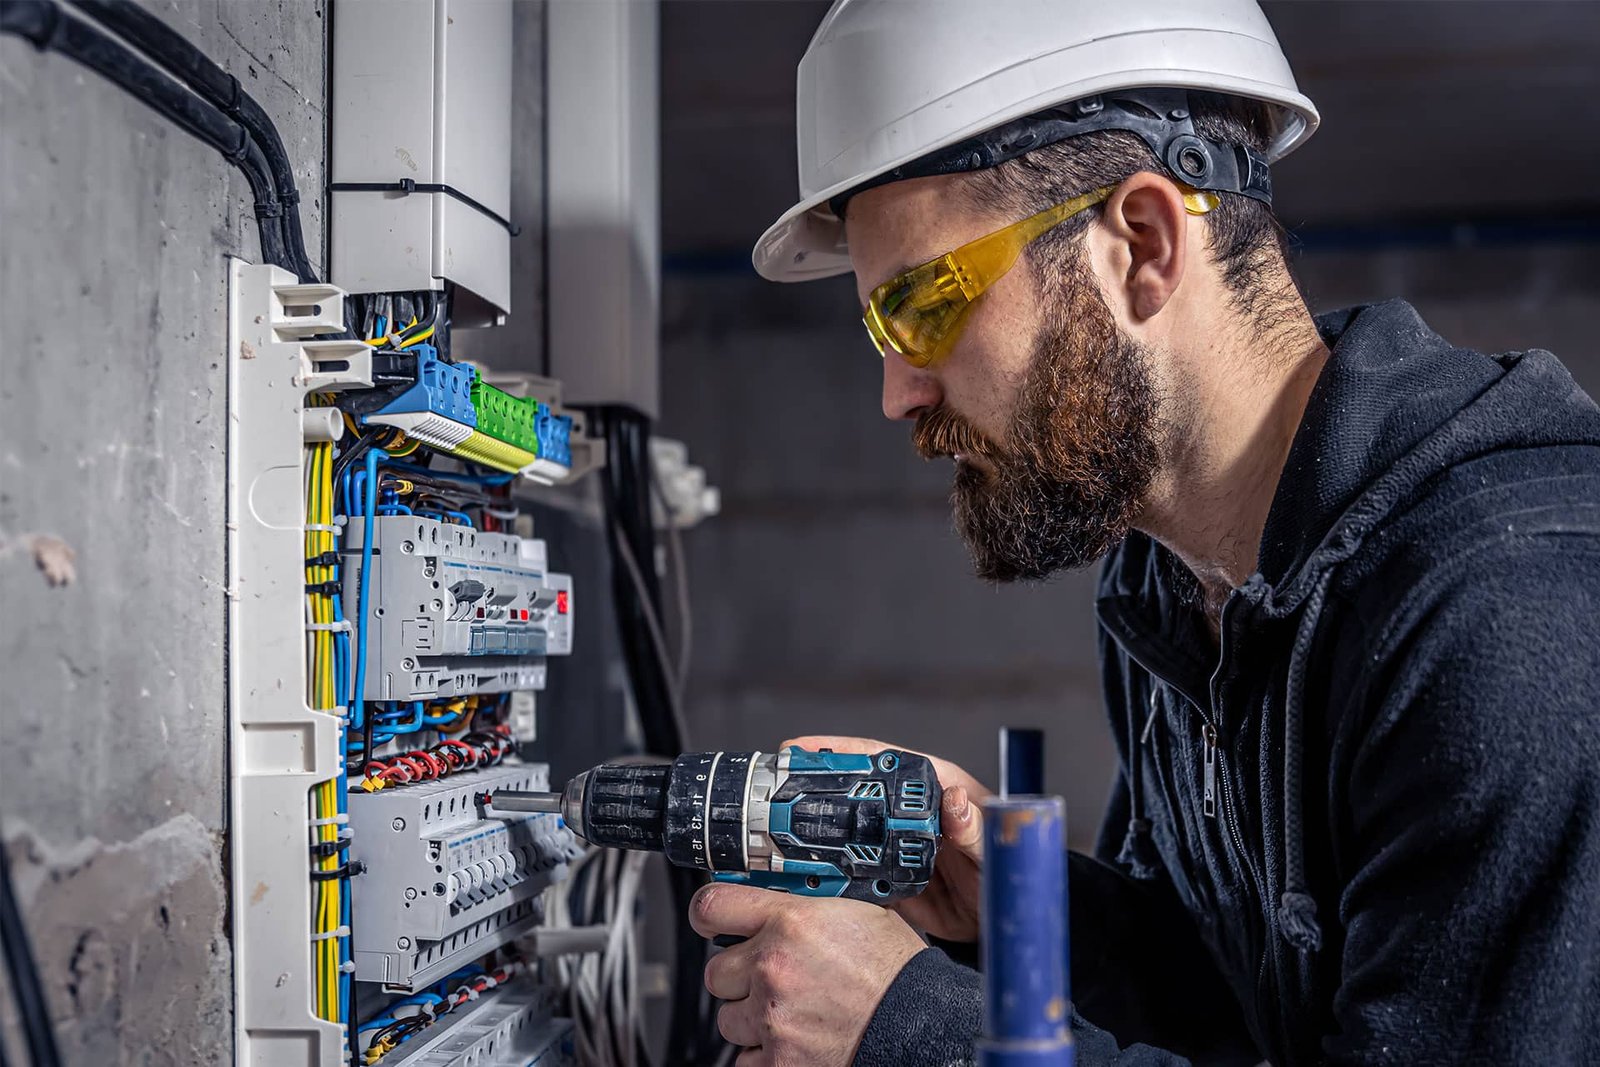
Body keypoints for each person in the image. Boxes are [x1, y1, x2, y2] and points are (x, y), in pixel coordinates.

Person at [686, 1, 1600, 1065]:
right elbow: (1262, 1002)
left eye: (926, 304)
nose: (896, 390)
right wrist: (1024, 917)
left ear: (1142, 243)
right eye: (879, 329)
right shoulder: (1167, 585)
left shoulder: (1505, 616)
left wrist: (916, 1033)